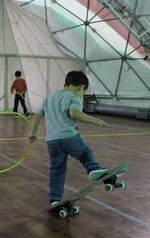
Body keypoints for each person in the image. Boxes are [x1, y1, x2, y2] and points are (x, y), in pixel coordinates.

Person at [28, 71, 110, 207]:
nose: (82, 95)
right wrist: (94, 120)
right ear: (80, 87)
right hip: (68, 136)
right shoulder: (74, 97)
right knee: (85, 153)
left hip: (52, 141)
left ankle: (55, 199)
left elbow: (37, 116)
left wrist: (33, 132)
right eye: (83, 92)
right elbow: (73, 113)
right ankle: (93, 169)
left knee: (57, 169)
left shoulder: (49, 98)